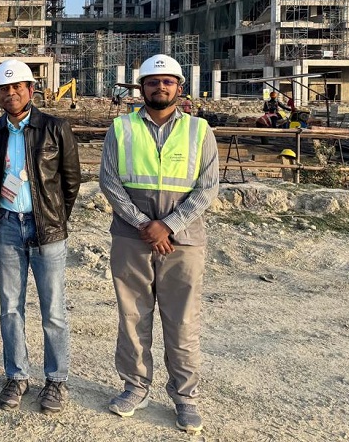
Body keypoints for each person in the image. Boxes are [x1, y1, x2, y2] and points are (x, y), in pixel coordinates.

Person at [99, 54, 219, 435]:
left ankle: (185, 397)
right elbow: (109, 181)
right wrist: (143, 224)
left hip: (183, 241)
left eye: (168, 81)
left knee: (182, 320)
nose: (160, 87)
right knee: (132, 316)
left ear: (179, 87)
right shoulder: (121, 128)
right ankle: (135, 387)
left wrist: (167, 226)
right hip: (131, 237)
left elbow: (207, 187)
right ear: (142, 88)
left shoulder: (200, 131)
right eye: (153, 82)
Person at [0, 59, 81, 414]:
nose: (10, 93)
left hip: (47, 229)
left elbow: (71, 182)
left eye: (17, 87)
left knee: (53, 309)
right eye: (4, 89)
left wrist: (53, 219)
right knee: (10, 307)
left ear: (30, 90)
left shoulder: (55, 128)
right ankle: (17, 375)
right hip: (7, 227)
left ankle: (56, 379)